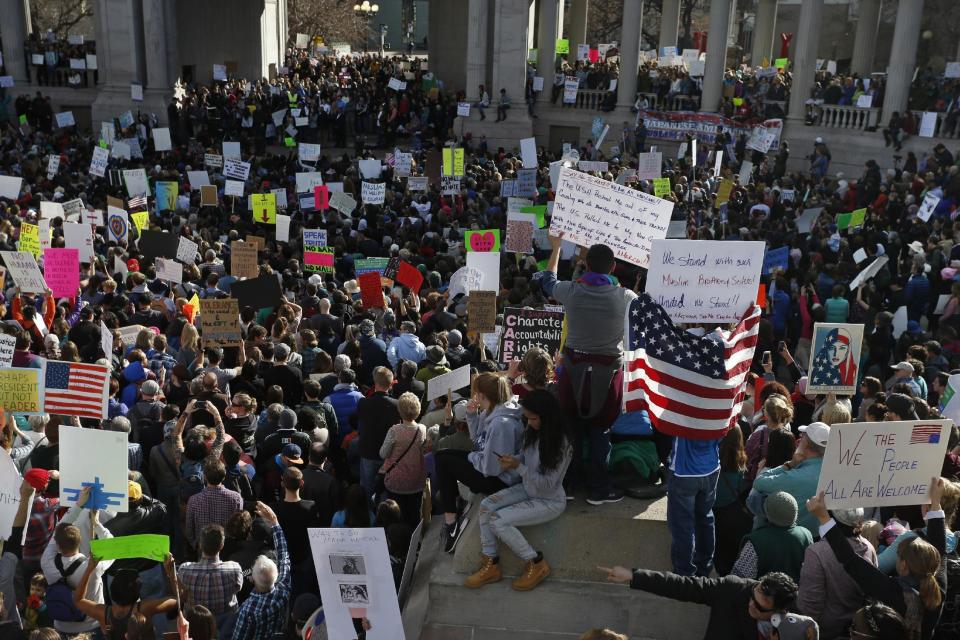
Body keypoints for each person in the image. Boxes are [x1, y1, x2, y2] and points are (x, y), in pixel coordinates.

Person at [539, 233, 636, 505]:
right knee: (601, 432)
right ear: (613, 267)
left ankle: (570, 484)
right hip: (608, 377)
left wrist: (556, 248)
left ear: (585, 262)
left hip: (572, 373)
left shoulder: (571, 290)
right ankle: (599, 489)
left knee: (573, 431)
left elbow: (547, 281)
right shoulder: (626, 297)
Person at [807, 481, 947, 640]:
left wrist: (823, 517)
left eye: (898, 555)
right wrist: (935, 504)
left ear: (903, 565)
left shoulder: (891, 591)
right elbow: (940, 550)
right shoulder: (938, 592)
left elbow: (851, 560)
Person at [464, 390, 572, 591]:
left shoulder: (561, 444)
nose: (529, 423)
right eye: (527, 418)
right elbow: (526, 455)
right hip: (528, 489)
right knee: (487, 506)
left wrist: (518, 467)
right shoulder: (534, 431)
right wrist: (514, 459)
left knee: (498, 521)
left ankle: (535, 562)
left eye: (533, 418)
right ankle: (491, 564)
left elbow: (547, 484)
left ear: (546, 416)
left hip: (549, 501)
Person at [436, 372, 524, 552]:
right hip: (487, 467)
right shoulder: (491, 411)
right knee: (442, 456)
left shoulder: (502, 424)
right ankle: (453, 511)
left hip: (500, 481)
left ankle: (451, 523)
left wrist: (471, 457)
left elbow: (491, 468)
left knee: (444, 461)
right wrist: (472, 415)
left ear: (482, 395)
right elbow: (478, 442)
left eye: (476, 392)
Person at [598, 565, 806, 640]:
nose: (751, 604)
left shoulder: (795, 627)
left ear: (779, 611)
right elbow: (683, 586)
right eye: (754, 595)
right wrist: (634, 576)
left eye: (760, 606)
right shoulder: (733, 589)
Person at [798, 506, 877, 639]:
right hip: (857, 629)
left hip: (825, 633)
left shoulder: (817, 552)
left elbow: (809, 605)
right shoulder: (869, 547)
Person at [750, 422, 829, 538]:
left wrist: (789, 465)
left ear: (806, 444)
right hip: (819, 536)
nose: (799, 440)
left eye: (802, 437)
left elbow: (759, 482)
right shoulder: (831, 470)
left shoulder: (795, 476)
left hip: (792, 538)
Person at [231, 502, 292, 640]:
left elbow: (238, 637)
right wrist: (275, 523)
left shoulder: (246, 610)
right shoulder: (283, 591)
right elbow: (284, 556)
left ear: (253, 579)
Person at [730, 491, 813, 583]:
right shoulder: (806, 534)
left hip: (766, 595)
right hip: (797, 594)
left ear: (767, 514)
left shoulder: (755, 541)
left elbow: (739, 579)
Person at [177, 523, 244, 633]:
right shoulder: (234, 568)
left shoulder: (185, 570)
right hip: (226, 627)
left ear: (200, 545)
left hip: (196, 627)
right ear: (222, 545)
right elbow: (238, 589)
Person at [378, 392, 428, 528]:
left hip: (396, 480)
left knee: (397, 514)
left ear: (400, 411)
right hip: (416, 479)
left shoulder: (394, 431)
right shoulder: (422, 429)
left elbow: (383, 454)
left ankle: (398, 538)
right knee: (414, 514)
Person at [357, 366, 401, 500]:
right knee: (387, 489)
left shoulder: (363, 403)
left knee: (367, 488)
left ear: (375, 383)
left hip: (368, 451)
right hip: (388, 453)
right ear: (390, 384)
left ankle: (369, 515)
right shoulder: (396, 404)